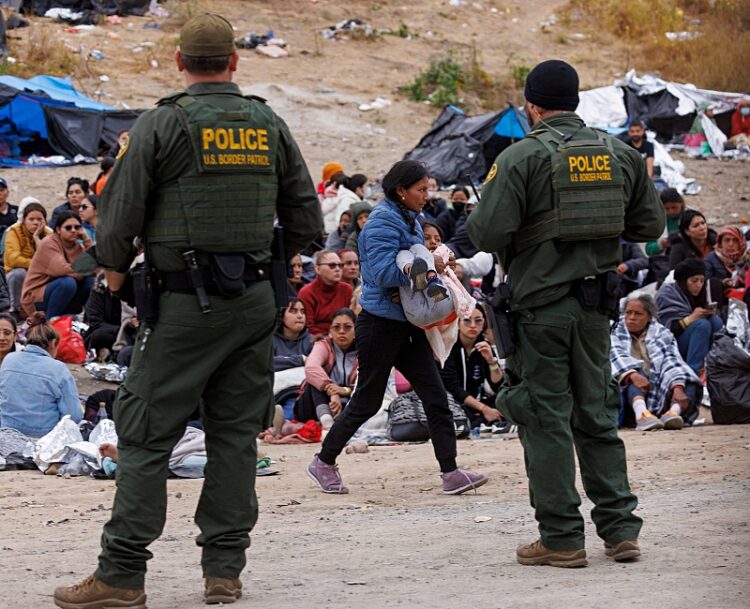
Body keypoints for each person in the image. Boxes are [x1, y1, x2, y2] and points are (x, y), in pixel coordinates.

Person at [53, 13, 321, 609]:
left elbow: (119, 216)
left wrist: (115, 268)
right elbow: (306, 217)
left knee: (145, 433)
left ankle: (121, 575)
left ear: (179, 62)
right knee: (232, 434)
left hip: (182, 302)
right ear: (234, 60)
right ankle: (224, 570)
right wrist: (263, 261)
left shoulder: (162, 123)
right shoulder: (266, 123)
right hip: (253, 302)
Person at [467, 60, 664, 567]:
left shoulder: (521, 157)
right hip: (597, 310)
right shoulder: (620, 153)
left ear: (531, 105)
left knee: (545, 419)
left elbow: (486, 236)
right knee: (597, 415)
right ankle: (621, 530)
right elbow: (648, 224)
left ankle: (561, 538)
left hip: (540, 312)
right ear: (575, 101)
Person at [306, 159, 487, 496]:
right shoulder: (380, 224)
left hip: (407, 324)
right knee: (367, 401)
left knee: (435, 396)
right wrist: (426, 265)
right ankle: (323, 461)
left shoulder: (410, 218)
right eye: (421, 189)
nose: (426, 195)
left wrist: (431, 262)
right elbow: (382, 273)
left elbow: (409, 264)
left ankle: (451, 472)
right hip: (379, 326)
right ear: (401, 191)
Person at [611, 294, 702, 431]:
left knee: (687, 380)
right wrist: (633, 375)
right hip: (629, 390)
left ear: (649, 317)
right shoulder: (614, 329)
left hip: (657, 387)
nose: (631, 318)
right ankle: (642, 414)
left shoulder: (662, 333)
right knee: (633, 371)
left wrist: (677, 386)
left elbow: (672, 360)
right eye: (628, 313)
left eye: (638, 314)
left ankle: (672, 414)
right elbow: (615, 355)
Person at [0, 313, 82, 438]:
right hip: (42, 438)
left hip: (6, 433)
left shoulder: (9, 360)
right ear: (53, 343)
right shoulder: (58, 369)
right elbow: (73, 415)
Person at [440, 304, 514, 434]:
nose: (473, 325)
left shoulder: (484, 346)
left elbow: (497, 386)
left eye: (478, 320)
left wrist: (491, 361)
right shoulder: (449, 346)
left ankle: (491, 422)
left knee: (505, 402)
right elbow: (453, 388)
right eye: (467, 320)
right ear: (458, 322)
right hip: (453, 401)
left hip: (476, 402)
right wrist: (484, 409)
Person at [21, 211, 93, 319]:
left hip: (61, 295)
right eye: (68, 228)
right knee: (68, 282)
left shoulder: (78, 246)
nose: (73, 231)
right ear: (58, 229)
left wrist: (87, 240)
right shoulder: (48, 243)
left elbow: (97, 266)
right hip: (37, 297)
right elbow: (65, 270)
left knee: (91, 282)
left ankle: (65, 316)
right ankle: (50, 322)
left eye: (77, 227)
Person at [656, 259, 724, 375]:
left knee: (715, 321)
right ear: (683, 281)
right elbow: (666, 331)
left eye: (702, 281)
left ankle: (716, 364)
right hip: (669, 347)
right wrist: (691, 318)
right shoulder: (668, 293)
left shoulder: (699, 293)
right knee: (701, 325)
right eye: (694, 281)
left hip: (694, 342)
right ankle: (693, 372)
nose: (699, 285)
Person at [294, 308, 358, 430]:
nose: (341, 331)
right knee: (315, 381)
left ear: (356, 330)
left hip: (346, 403)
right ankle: (326, 421)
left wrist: (344, 390)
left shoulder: (363, 351)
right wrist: (331, 389)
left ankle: (328, 422)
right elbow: (311, 367)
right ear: (330, 331)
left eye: (347, 327)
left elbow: (366, 381)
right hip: (311, 405)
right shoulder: (323, 345)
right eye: (336, 327)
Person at [3, 202, 52, 320]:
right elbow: (13, 259)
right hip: (18, 274)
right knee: (19, 273)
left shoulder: (48, 234)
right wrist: (36, 265)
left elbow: (51, 259)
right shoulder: (14, 231)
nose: (36, 222)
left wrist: (36, 238)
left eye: (39, 219)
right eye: (31, 219)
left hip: (40, 275)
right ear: (24, 220)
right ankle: (15, 309)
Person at [298, 250, 353, 336]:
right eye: (332, 265)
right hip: (316, 339)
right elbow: (308, 326)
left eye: (340, 265)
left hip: (344, 338)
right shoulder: (306, 292)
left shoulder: (347, 289)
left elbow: (352, 321)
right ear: (318, 269)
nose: (337, 269)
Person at [272, 298, 312, 371]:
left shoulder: (311, 340)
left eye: (303, 312)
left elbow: (316, 364)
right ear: (281, 316)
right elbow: (267, 363)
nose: (300, 316)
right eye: (293, 311)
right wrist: (301, 359)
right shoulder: (270, 339)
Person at [644, 188, 686, 257]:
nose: (671, 211)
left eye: (674, 207)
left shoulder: (690, 217)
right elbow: (648, 249)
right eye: (666, 208)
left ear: (681, 203)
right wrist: (661, 245)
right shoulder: (657, 222)